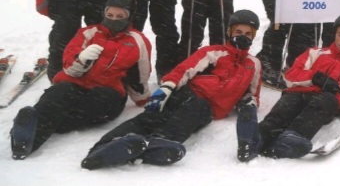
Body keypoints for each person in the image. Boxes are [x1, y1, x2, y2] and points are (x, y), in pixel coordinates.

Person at [80, 10, 262, 170]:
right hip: (185, 92)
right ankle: (101, 148)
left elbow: (252, 93)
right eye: (238, 31)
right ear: (230, 32)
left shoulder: (253, 64)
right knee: (151, 117)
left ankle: (150, 145)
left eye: (248, 33)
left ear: (253, 37)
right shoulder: (215, 52)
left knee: (180, 123)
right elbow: (186, 68)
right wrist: (168, 86)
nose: (242, 36)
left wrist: (248, 105)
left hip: (206, 107)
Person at [10, 0, 151, 160]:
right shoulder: (88, 33)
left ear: (129, 17)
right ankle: (23, 141)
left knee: (99, 102)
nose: (114, 19)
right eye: (110, 14)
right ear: (104, 13)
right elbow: (69, 68)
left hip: (108, 89)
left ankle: (39, 125)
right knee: (58, 94)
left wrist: (141, 97)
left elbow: (140, 73)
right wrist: (82, 59)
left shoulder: (138, 40)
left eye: (120, 16)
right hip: (75, 82)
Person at [242, 13, 340, 160]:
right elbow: (290, 76)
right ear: (335, 34)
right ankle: (258, 137)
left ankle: (292, 138)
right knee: (289, 102)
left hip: (323, 105)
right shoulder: (314, 53)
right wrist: (314, 78)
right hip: (299, 94)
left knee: (328, 99)